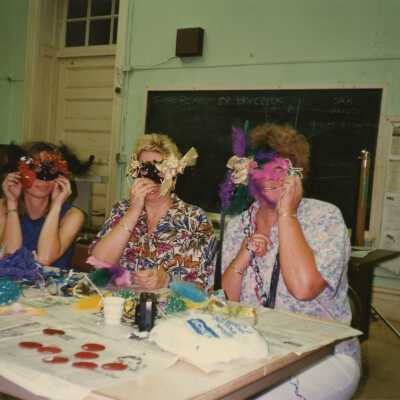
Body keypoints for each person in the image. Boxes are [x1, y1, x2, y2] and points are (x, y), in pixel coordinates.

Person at [220, 123, 360, 399]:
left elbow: (304, 288)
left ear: (297, 174)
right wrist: (242, 256)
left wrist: (287, 215)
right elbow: (226, 300)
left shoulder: (325, 217)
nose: (269, 177)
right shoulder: (238, 226)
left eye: (280, 168)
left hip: (321, 356)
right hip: (254, 349)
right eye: (260, 168)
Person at [89, 133, 216, 290]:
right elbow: (99, 263)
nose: (151, 177)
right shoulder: (122, 210)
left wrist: (168, 281)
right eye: (145, 168)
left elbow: (201, 289)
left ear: (173, 174)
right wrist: (134, 210)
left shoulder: (195, 219)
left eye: (159, 168)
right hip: (117, 302)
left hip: (169, 309)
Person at [0, 142, 86, 268]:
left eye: (52, 170)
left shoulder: (73, 215)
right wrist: (12, 203)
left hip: (52, 286)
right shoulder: (3, 208)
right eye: (35, 169)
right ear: (18, 173)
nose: (43, 179)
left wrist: (56, 205)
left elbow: (45, 259)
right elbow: (11, 256)